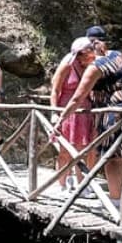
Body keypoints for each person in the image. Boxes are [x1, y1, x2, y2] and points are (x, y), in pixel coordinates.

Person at [54, 32, 122, 204]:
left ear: (87, 53)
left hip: (113, 111)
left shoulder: (96, 66)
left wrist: (60, 119)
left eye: (79, 59)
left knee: (113, 156)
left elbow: (77, 98)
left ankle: (116, 203)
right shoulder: (119, 55)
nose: (79, 63)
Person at [50, 37, 96, 190]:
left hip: (86, 112)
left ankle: (83, 185)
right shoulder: (68, 64)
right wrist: (54, 112)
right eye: (82, 55)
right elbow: (55, 89)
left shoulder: (93, 64)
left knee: (85, 150)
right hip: (67, 111)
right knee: (65, 151)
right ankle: (63, 185)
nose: (85, 58)